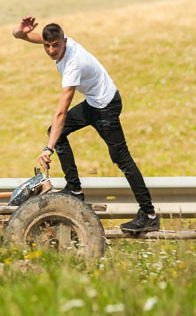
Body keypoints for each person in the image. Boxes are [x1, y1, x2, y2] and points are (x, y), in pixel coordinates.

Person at [12, 16, 158, 233]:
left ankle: (149, 215)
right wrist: (21, 31)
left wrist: (48, 149)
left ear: (64, 41)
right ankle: (75, 190)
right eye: (47, 46)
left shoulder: (73, 64)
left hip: (106, 107)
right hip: (93, 103)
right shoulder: (59, 42)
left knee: (121, 159)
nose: (51, 51)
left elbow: (61, 112)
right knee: (55, 132)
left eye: (55, 46)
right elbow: (22, 36)